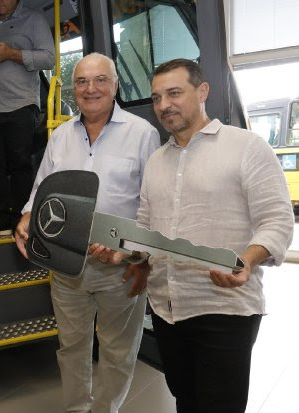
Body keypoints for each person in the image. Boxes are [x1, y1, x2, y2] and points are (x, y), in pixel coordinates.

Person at [91, 58, 294, 413]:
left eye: (174, 93)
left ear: (202, 92)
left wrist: (247, 260)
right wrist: (125, 252)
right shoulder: (156, 161)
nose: (163, 105)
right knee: (185, 401)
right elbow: (147, 229)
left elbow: (277, 220)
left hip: (225, 308)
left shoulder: (247, 147)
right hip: (168, 310)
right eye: (157, 98)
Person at [14, 53, 160, 413]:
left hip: (119, 265)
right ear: (74, 89)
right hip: (66, 263)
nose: (90, 88)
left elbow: (154, 204)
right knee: (71, 348)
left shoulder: (142, 134)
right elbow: (42, 188)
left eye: (100, 80)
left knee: (118, 351)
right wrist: (28, 215)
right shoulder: (61, 136)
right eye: (81, 81)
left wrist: (143, 257)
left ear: (115, 86)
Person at [0, 0, 55, 238]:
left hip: (19, 104)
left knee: (20, 166)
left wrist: (12, 54)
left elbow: (49, 59)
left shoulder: (34, 19)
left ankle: (21, 221)